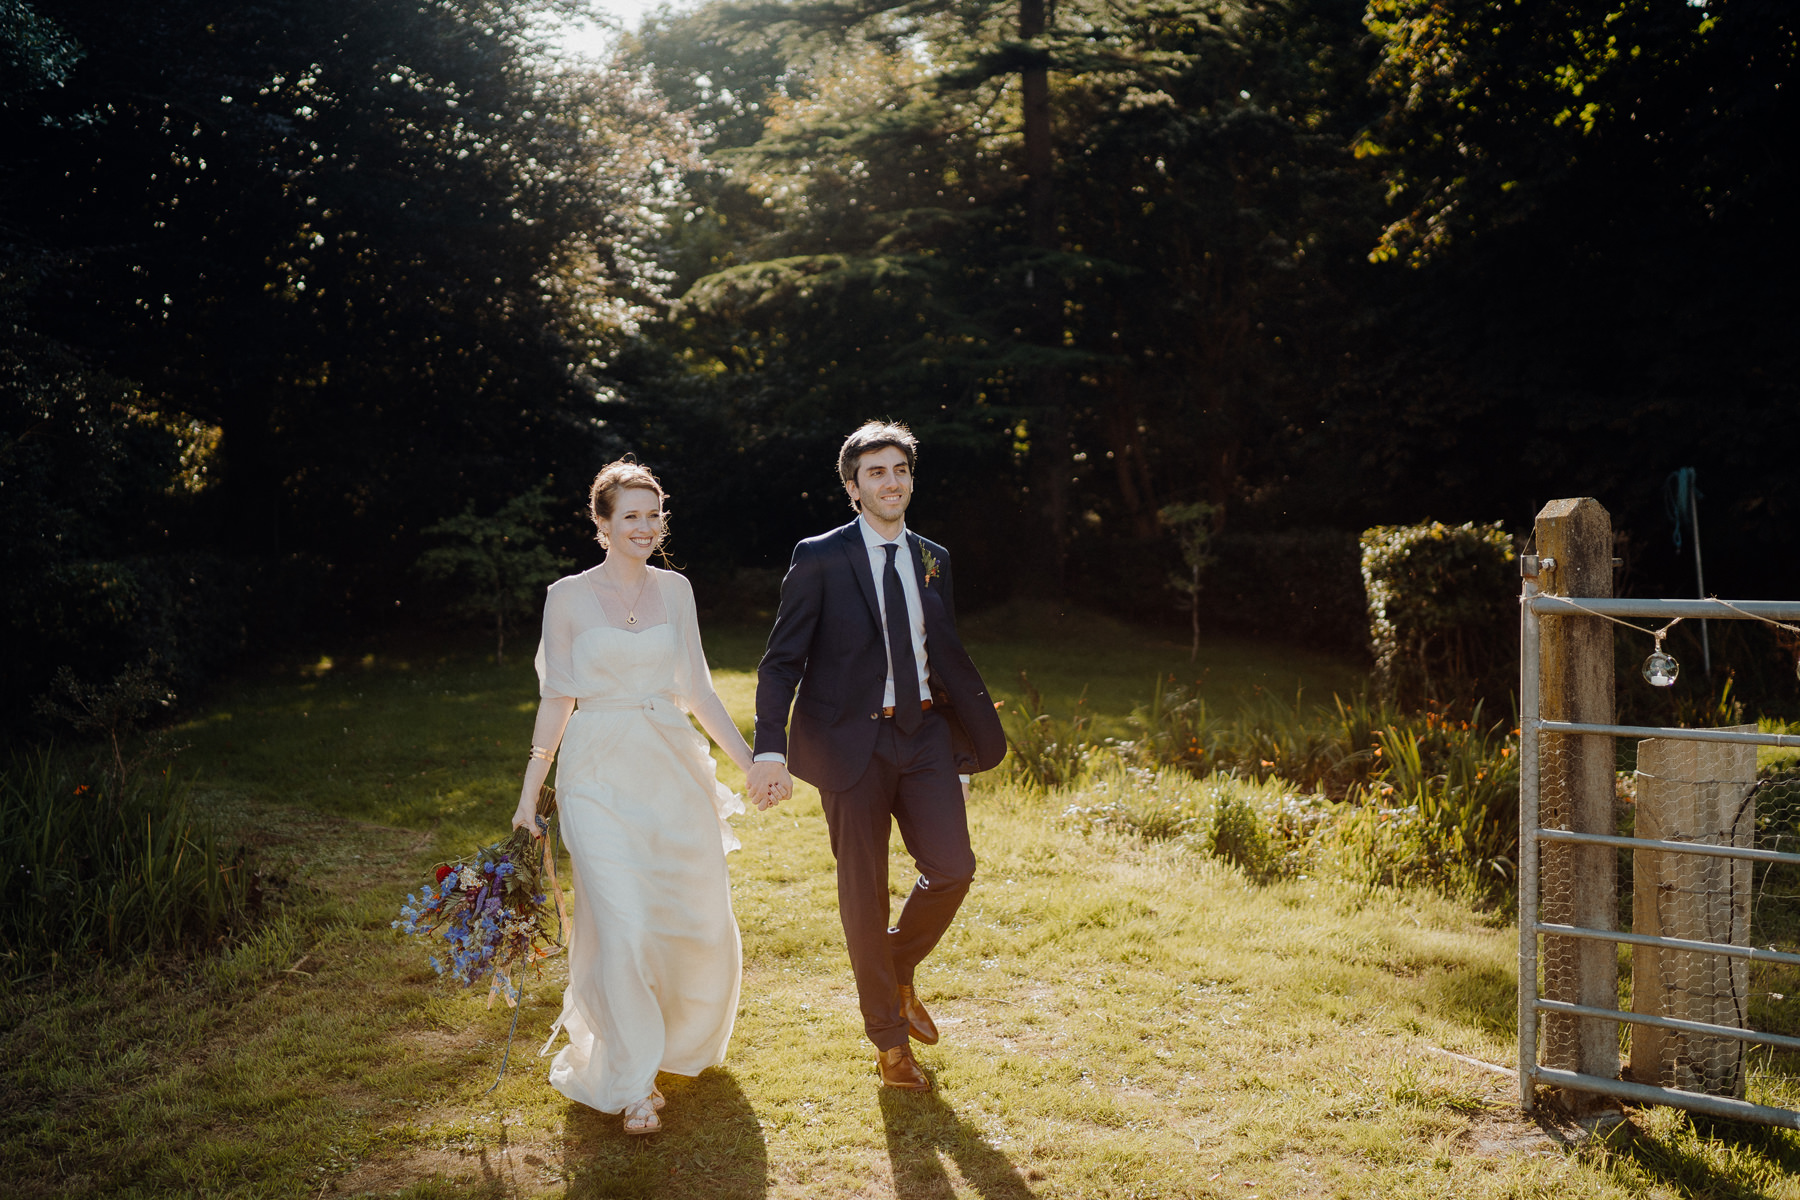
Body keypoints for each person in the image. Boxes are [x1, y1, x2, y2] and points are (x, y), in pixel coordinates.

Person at [746, 421, 1007, 1090]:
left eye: (899, 470)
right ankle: (890, 1045)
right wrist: (768, 750)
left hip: (923, 738)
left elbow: (939, 650)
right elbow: (781, 662)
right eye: (875, 473)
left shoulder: (934, 558)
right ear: (853, 487)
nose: (889, 482)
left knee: (952, 867)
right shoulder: (820, 556)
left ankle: (891, 970)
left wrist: (964, 733)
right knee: (862, 895)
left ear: (910, 478)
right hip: (846, 741)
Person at [512, 459, 765, 1136]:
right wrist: (529, 795)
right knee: (620, 924)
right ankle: (631, 1080)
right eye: (630, 516)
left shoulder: (675, 590)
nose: (645, 528)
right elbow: (557, 696)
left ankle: (677, 1039)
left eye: (654, 516)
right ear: (600, 523)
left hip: (668, 765)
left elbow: (700, 689)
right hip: (594, 770)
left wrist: (749, 761)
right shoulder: (565, 596)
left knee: (692, 914)